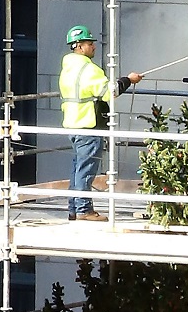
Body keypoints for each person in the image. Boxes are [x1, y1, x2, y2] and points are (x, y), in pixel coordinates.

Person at [59, 26, 143, 221]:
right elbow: (109, 92)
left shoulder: (68, 68)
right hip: (88, 124)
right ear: (79, 46)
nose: (94, 46)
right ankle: (84, 210)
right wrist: (129, 80)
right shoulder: (88, 69)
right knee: (86, 169)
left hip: (73, 123)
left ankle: (74, 207)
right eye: (89, 43)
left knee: (78, 167)